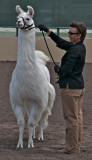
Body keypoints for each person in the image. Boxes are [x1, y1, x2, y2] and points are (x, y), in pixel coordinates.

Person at [38, 21, 87, 154]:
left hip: (70, 88)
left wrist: (58, 69)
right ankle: (75, 145)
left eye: (72, 33)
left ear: (80, 35)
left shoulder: (75, 51)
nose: (69, 35)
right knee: (77, 117)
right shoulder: (79, 47)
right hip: (78, 87)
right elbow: (62, 43)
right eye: (69, 32)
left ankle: (71, 148)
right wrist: (48, 32)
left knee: (71, 119)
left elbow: (66, 70)